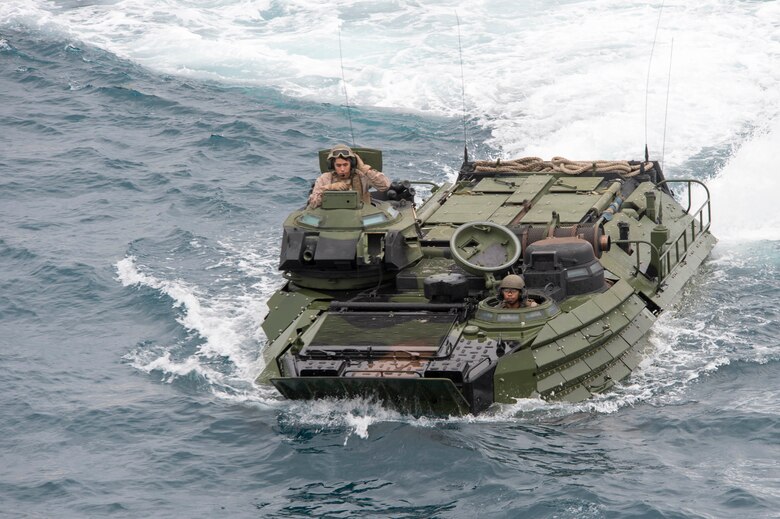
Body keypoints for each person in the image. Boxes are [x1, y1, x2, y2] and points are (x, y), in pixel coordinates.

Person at [307, 144, 391, 208]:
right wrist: (330, 187)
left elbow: (385, 186)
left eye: (345, 164)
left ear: (352, 164)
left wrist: (364, 168)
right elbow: (313, 203)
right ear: (332, 166)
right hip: (333, 217)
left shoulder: (362, 176)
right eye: (338, 165)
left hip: (361, 215)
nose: (342, 169)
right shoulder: (325, 178)